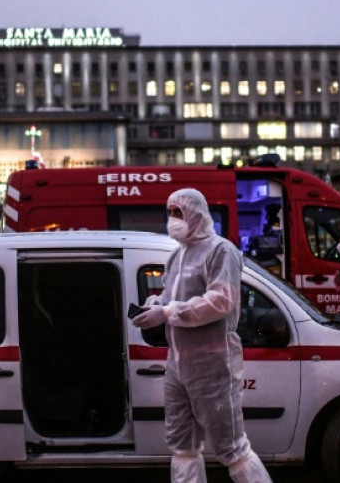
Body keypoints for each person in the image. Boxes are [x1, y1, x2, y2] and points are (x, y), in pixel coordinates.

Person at [132, 188, 272, 483]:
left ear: (196, 213)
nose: (172, 219)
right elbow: (170, 296)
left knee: (232, 447)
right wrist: (155, 305)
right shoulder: (176, 256)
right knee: (182, 446)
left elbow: (221, 301)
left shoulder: (221, 251)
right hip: (178, 365)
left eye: (178, 213)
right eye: (169, 213)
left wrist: (168, 313)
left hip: (213, 365)